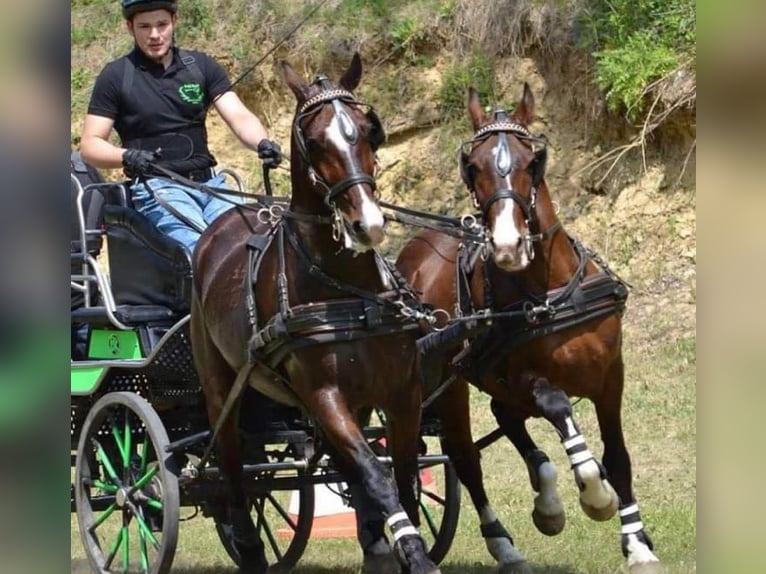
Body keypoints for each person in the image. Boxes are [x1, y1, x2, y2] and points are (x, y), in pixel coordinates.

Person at [79, 0, 282, 253]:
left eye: (161, 24)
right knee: (203, 251)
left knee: (255, 247)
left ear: (174, 21)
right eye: (144, 26)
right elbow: (90, 145)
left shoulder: (201, 67)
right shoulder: (116, 76)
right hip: (158, 189)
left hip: (212, 185)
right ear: (130, 27)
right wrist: (127, 156)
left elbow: (239, 116)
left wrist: (261, 142)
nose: (154, 35)